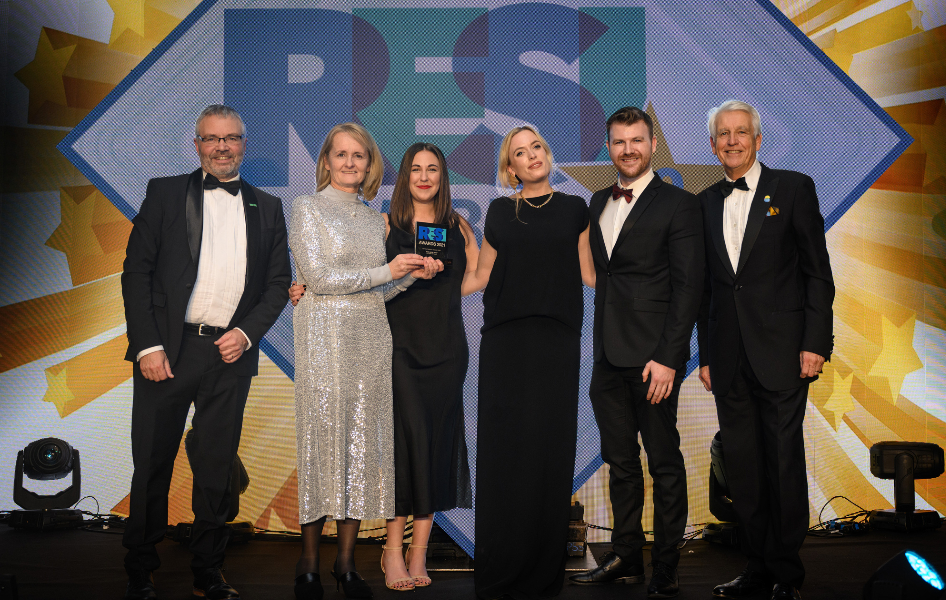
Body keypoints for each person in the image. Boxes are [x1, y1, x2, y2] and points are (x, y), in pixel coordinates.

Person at [121, 104, 292, 600]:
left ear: (244, 144)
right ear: (196, 145)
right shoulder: (165, 192)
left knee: (216, 468)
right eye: (211, 138)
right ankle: (140, 568)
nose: (222, 147)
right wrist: (147, 346)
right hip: (167, 352)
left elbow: (278, 284)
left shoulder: (268, 206)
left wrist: (247, 334)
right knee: (152, 462)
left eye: (231, 138)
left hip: (229, 354)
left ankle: (208, 571)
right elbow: (137, 272)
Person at [290, 142, 478, 592]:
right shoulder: (384, 223)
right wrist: (307, 291)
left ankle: (403, 554)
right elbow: (352, 274)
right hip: (389, 346)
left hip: (443, 347)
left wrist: (426, 279)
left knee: (430, 447)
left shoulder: (456, 225)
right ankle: (372, 555)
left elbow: (470, 275)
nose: (425, 176)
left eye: (433, 169)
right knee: (392, 450)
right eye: (416, 168)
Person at [696, 101, 834, 600]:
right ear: (712, 145)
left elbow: (817, 271)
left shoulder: (794, 187)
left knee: (781, 462)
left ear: (757, 139)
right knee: (744, 470)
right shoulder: (705, 201)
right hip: (728, 358)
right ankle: (756, 567)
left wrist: (815, 343)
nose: (732, 141)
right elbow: (707, 289)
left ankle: (786, 574)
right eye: (723, 135)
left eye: (740, 133)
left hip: (783, 353)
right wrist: (705, 355)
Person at [568, 106, 703, 599]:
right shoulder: (598, 199)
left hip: (653, 361)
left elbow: (688, 288)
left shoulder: (678, 204)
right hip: (607, 357)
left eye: (637, 141)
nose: (628, 149)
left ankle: (665, 568)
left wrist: (671, 357)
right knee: (619, 463)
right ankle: (626, 555)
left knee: (663, 463)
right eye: (620, 142)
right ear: (609, 147)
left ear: (651, 145)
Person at [464, 125, 595, 600]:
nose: (531, 156)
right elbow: (480, 277)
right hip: (504, 346)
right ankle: (499, 570)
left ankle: (542, 577)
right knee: (503, 457)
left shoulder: (576, 208)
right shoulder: (499, 212)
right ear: (510, 167)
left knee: (547, 454)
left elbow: (588, 273)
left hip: (556, 346)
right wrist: (428, 285)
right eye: (520, 152)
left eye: (536, 146)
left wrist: (648, 278)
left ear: (547, 152)